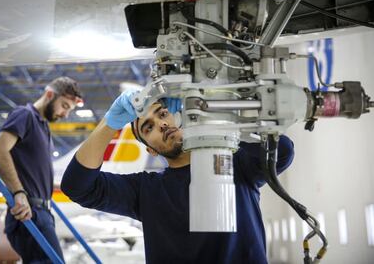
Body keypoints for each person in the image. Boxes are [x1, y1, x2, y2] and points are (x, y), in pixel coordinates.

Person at [61, 90, 294, 264]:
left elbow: (282, 150)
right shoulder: (145, 191)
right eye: (148, 128)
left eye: (163, 114)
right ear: (150, 150)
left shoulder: (236, 164)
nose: (162, 124)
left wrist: (208, 110)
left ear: (179, 117)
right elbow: (77, 186)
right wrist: (110, 123)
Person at [0, 77, 83, 263]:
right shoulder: (25, 115)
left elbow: (34, 173)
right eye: (64, 106)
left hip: (42, 212)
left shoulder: (43, 127)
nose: (65, 114)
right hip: (29, 211)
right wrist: (18, 192)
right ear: (49, 95)